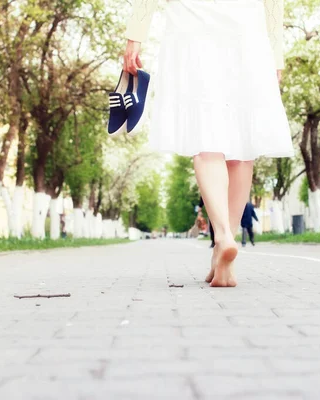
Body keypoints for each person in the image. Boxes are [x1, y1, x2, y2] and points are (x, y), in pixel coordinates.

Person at [123, 0, 294, 287]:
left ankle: (223, 236)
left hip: (192, 23)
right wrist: (276, 53)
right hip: (247, 27)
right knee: (242, 144)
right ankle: (223, 247)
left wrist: (135, 35)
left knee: (205, 137)